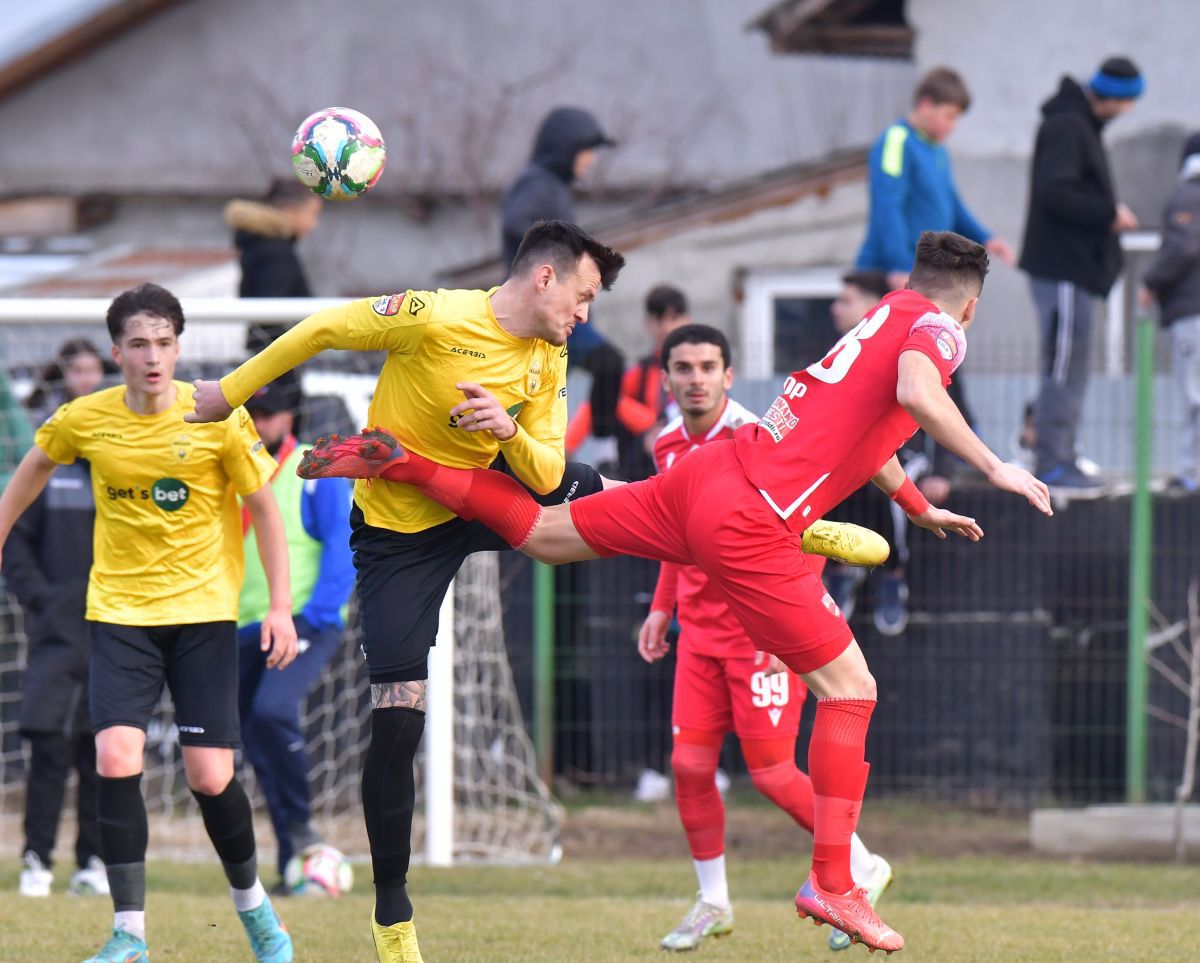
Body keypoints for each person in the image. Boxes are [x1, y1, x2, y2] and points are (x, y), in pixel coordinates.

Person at [287, 231, 1053, 954]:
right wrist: (998, 467)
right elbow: (920, 391)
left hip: (708, 475)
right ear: (971, 306)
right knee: (851, 689)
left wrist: (919, 506)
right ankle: (835, 879)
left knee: (551, 536)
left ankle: (405, 464)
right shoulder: (942, 334)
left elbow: (872, 424)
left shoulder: (888, 314)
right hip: (752, 519)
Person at [185, 220, 882, 961]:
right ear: (544, 277)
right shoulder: (433, 316)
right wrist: (227, 393)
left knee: (632, 497)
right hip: (400, 535)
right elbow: (323, 325)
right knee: (396, 717)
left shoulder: (548, 355)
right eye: (582, 296)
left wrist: (501, 426)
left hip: (496, 485)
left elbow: (546, 472)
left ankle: (793, 530)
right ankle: (393, 917)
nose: (585, 316)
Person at [0, 283, 297, 963]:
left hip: (202, 618)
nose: (153, 356)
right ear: (116, 352)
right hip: (120, 614)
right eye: (138, 343)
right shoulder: (86, 417)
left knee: (210, 776)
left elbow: (267, 509)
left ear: (179, 347)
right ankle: (129, 934)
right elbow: (36, 462)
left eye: (164, 342)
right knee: (115, 757)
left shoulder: (217, 415)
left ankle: (255, 911)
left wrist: (278, 606)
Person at [637, 323, 891, 953]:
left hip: (759, 635)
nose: (695, 378)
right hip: (699, 637)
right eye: (683, 368)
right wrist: (662, 608)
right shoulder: (667, 443)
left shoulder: (761, 440)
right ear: (666, 378)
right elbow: (676, 527)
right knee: (689, 766)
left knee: (775, 775)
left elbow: (806, 533)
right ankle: (712, 902)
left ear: (729, 375)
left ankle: (861, 869)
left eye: (707, 366)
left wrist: (784, 627)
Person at [237, 373, 356, 891]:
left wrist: (321, 613)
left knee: (273, 711)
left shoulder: (316, 466)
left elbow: (342, 541)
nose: (262, 423)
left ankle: (304, 830)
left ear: (291, 415)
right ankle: (292, 860)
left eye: (272, 413)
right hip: (237, 625)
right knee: (253, 740)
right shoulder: (229, 462)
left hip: (304, 620)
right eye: (254, 414)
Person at [4, 338, 107, 899]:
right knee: (48, 747)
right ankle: (36, 861)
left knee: (100, 748)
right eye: (78, 370)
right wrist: (42, 598)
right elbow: (16, 541)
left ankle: (92, 862)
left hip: (110, 625)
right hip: (54, 629)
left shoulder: (121, 461)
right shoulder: (47, 458)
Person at [1020, 55, 1144, 491]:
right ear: (1115, 98)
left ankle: (1060, 454)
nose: (1127, 112)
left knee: (1067, 365)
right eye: (1127, 103)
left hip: (1071, 273)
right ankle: (1053, 462)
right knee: (1064, 366)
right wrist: (1108, 214)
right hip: (1064, 271)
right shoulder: (1068, 127)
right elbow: (1056, 193)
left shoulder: (1076, 126)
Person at [825, 270, 961, 635]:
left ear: (874, 307)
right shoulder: (839, 349)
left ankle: (892, 574)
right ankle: (839, 569)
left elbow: (956, 416)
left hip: (907, 453)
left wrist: (944, 472)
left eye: (846, 301)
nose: (835, 309)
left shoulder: (922, 347)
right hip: (852, 450)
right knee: (827, 476)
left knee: (890, 487)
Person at [501, 107, 625, 471]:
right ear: (565, 148)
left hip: (562, 310)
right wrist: (563, 253)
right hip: (547, 308)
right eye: (585, 151)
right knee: (607, 363)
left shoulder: (551, 187)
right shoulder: (537, 184)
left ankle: (561, 459)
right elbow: (515, 224)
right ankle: (604, 455)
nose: (588, 161)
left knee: (548, 396)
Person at [856, 67, 1015, 290]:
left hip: (922, 271)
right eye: (949, 115)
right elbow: (888, 206)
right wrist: (899, 265)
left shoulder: (937, 149)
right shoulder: (896, 141)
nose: (953, 125)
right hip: (890, 273)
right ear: (925, 105)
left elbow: (952, 203)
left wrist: (985, 237)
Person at [566, 283, 692, 480]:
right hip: (646, 465)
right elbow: (598, 404)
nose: (667, 327)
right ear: (648, 322)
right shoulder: (641, 372)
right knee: (605, 397)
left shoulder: (702, 368)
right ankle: (564, 453)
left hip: (688, 450)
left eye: (674, 319)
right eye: (660, 319)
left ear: (687, 320)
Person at [1140, 131, 1200, 495]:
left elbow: (1183, 245)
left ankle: (1191, 471)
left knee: (1195, 393)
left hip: (1193, 311)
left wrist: (1150, 281)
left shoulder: (1188, 195)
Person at [227, 178, 325, 352]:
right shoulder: (276, 253)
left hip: (269, 356)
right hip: (278, 360)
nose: (314, 224)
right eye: (312, 214)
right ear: (290, 212)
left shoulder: (260, 246)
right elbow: (270, 316)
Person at [24, 338, 110, 424]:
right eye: (77, 370)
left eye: (92, 370)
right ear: (63, 373)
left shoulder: (113, 403)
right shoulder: (45, 409)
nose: (85, 379)